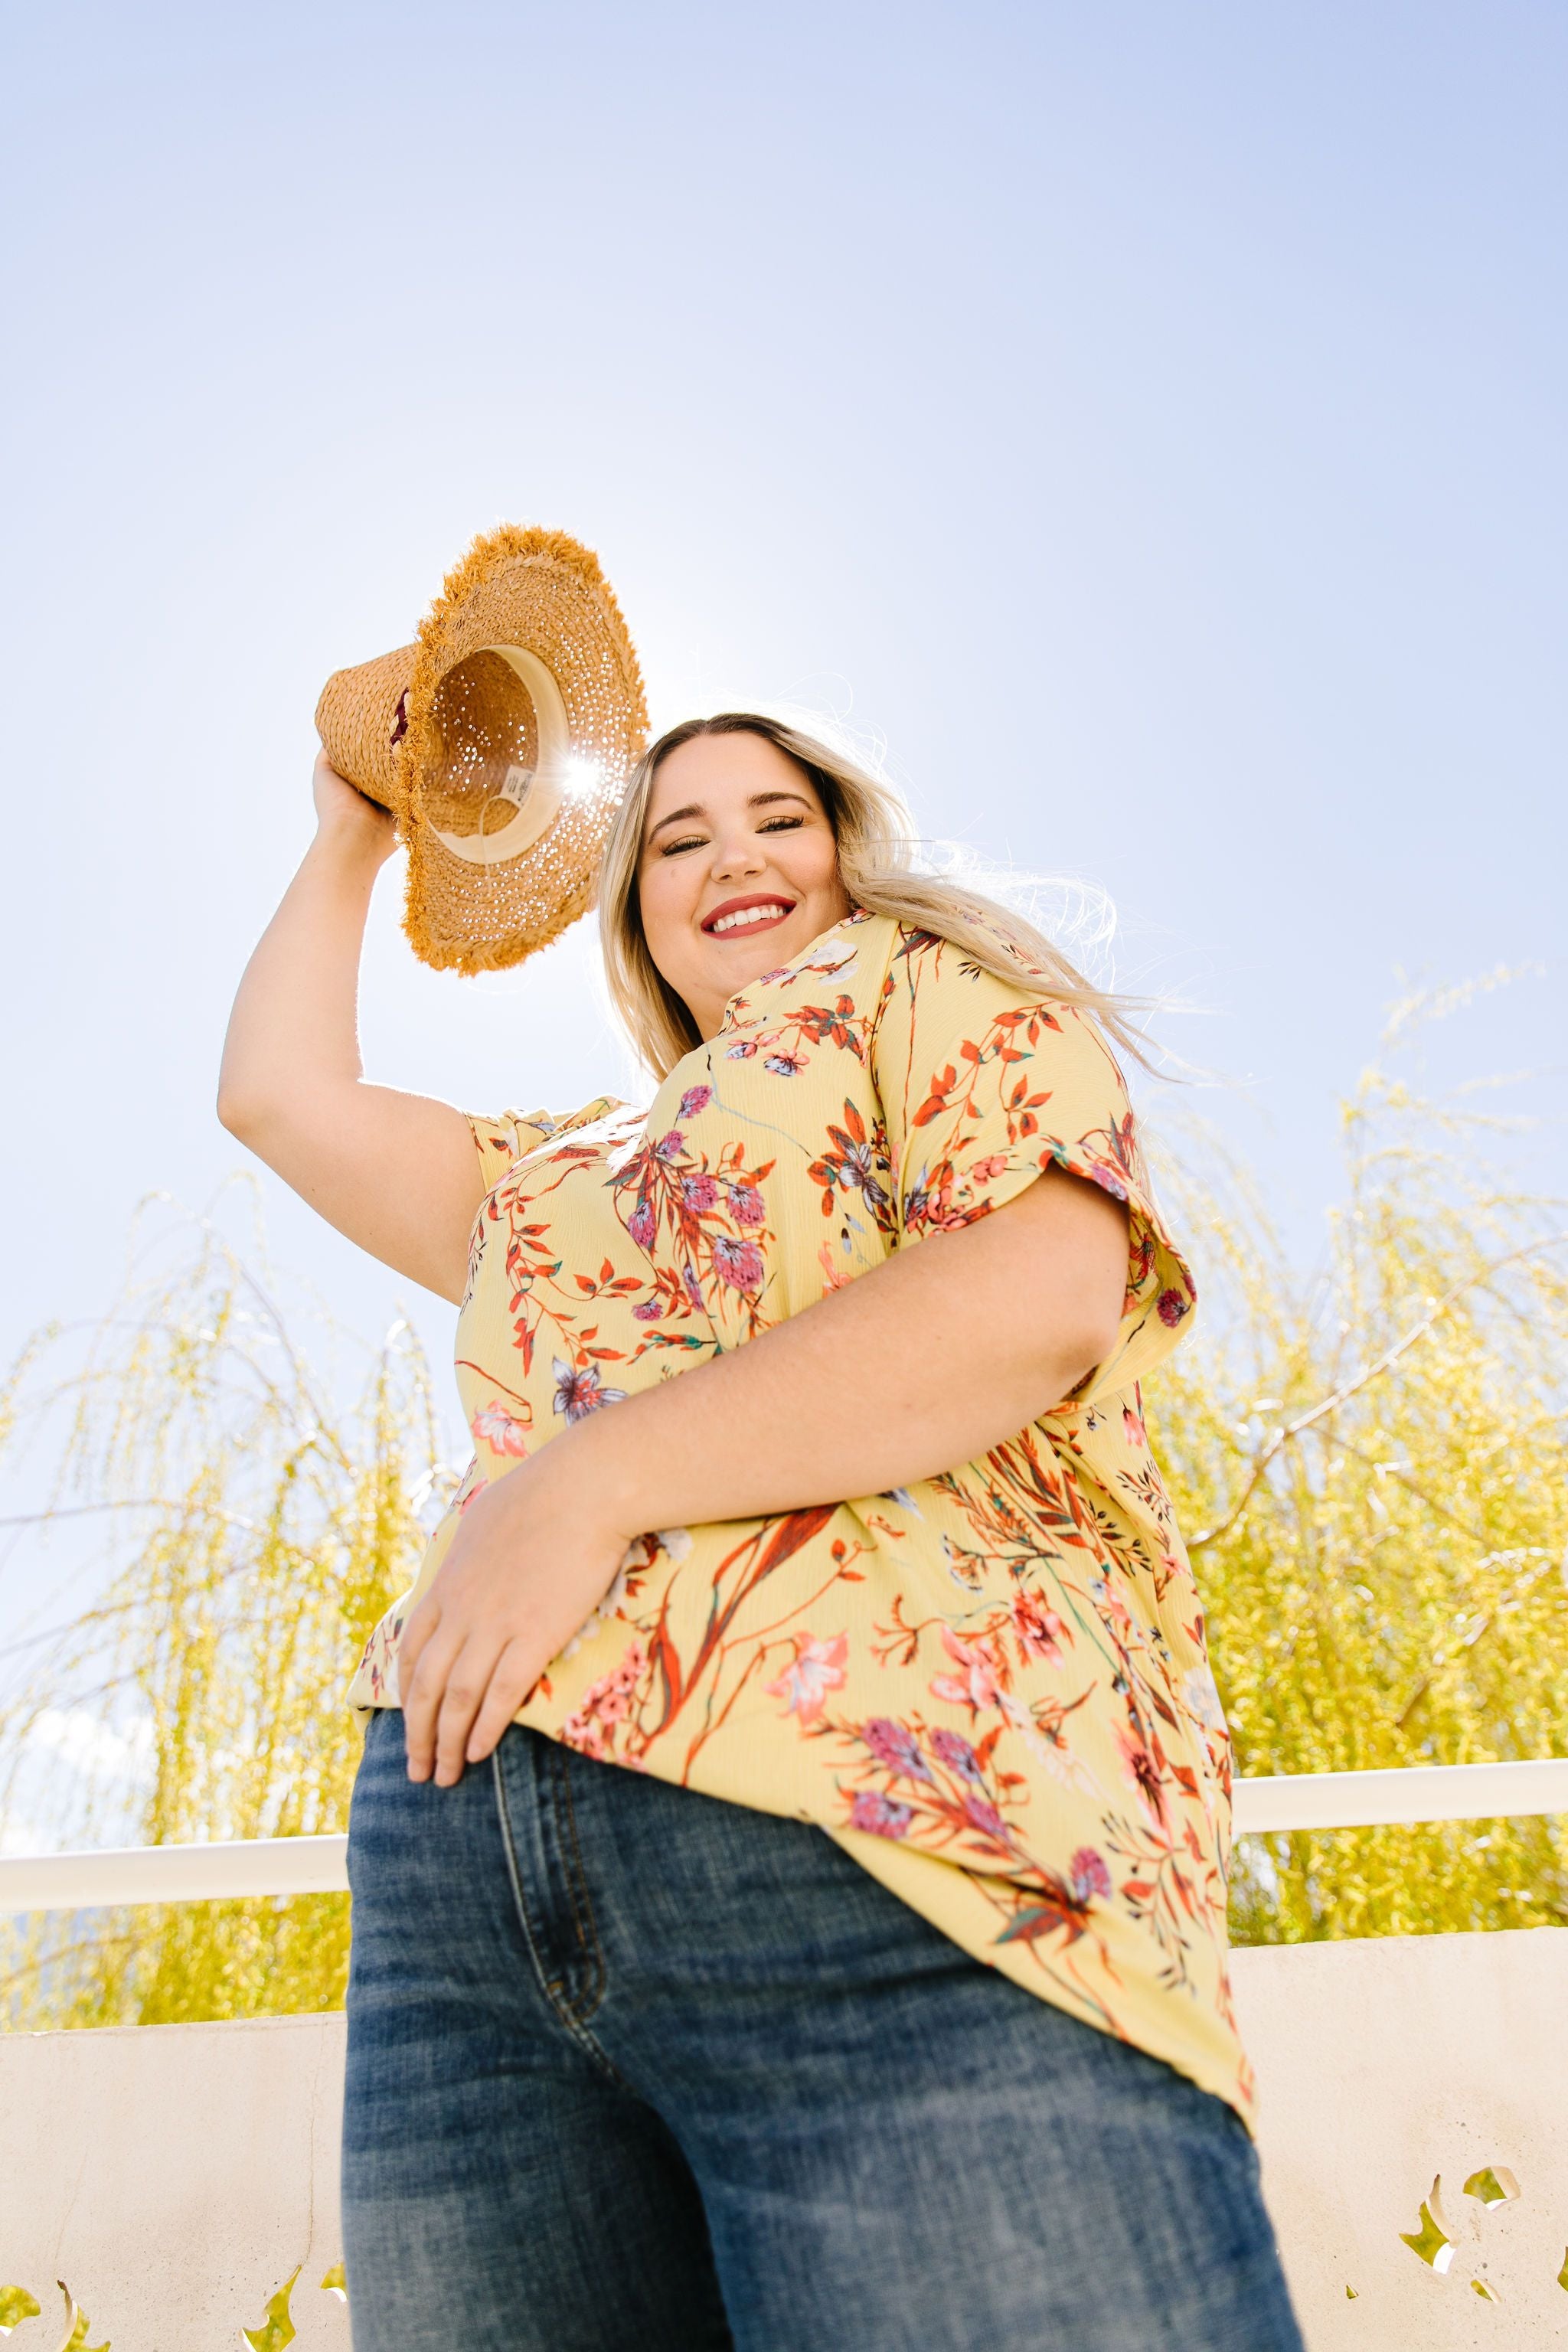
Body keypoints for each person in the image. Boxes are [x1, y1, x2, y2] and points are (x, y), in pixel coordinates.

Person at [218, 712, 1304, 2351]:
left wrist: (582, 1483)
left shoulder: (928, 986)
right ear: (635, 912)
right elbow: (280, 1098)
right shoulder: (558, 1165)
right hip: (466, 1881)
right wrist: (355, 834)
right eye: (674, 837)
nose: (731, 854)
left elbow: (1040, 1291)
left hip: (884, 1811)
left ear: (844, 851)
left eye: (776, 817)